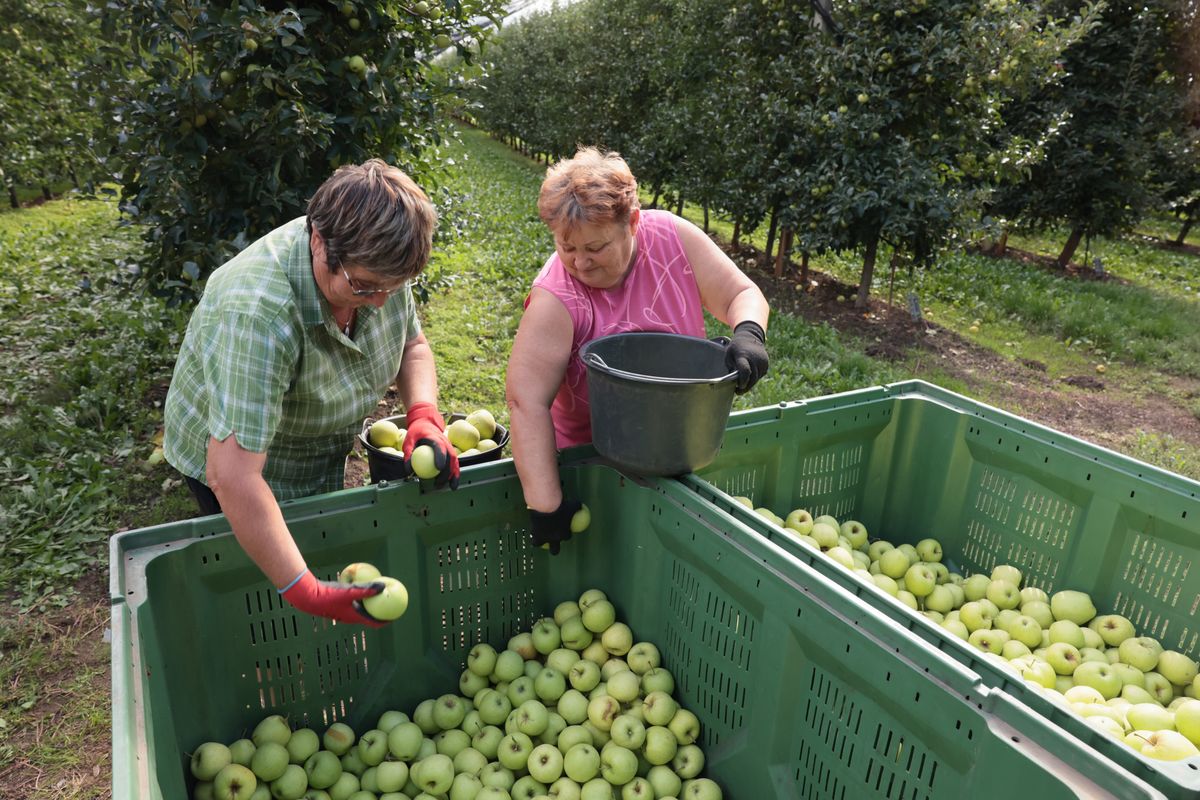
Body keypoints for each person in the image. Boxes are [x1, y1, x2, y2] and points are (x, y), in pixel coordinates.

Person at [163, 159, 459, 626]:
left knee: (313, 551)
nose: (382, 301)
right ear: (319, 242)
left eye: (394, 287)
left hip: (313, 445)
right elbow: (234, 476)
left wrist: (423, 412)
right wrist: (305, 591)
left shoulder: (376, 264)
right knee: (267, 596)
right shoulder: (258, 313)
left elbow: (412, 344)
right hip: (242, 461)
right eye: (365, 287)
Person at [506, 147, 770, 554]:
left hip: (676, 449)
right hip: (590, 462)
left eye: (595, 247)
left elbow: (740, 292)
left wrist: (749, 333)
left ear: (632, 222)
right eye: (566, 246)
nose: (580, 262)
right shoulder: (556, 297)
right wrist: (546, 504)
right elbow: (526, 400)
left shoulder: (671, 239)